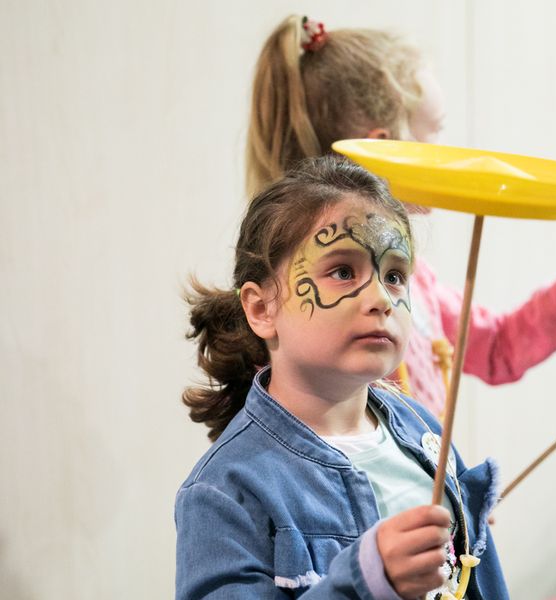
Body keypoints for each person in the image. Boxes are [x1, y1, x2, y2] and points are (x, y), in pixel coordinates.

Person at [245, 15, 556, 416]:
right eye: (435, 131)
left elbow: (496, 349)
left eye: (391, 278)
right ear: (385, 148)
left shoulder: (414, 281)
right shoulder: (297, 294)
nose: (445, 149)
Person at [176, 156, 508, 599]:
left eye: (394, 276)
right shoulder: (224, 492)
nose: (380, 299)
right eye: (342, 272)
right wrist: (368, 580)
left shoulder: (424, 430)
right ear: (261, 309)